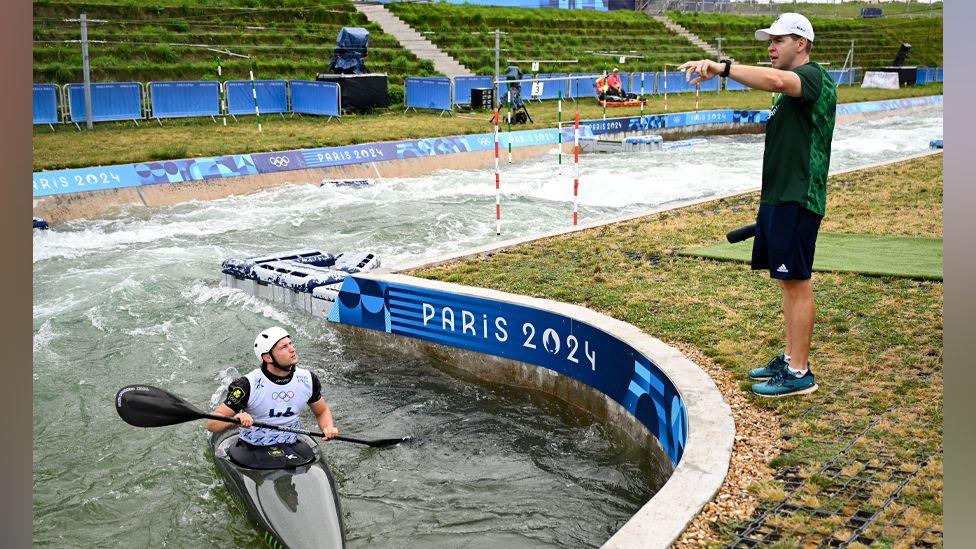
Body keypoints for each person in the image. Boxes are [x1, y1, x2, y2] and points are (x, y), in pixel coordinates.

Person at [678, 12, 836, 398]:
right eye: (770, 40)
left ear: (801, 44)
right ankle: (789, 357)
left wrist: (724, 68)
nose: (770, 46)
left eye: (778, 40)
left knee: (797, 282)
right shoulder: (787, 94)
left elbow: (779, 78)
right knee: (787, 280)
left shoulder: (813, 77)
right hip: (780, 199)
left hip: (798, 200)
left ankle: (799, 373)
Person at [206, 327, 339, 449]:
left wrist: (328, 428)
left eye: (291, 344)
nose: (292, 349)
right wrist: (236, 420)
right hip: (251, 447)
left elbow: (322, 411)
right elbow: (212, 424)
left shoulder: (308, 379)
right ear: (267, 357)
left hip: (292, 445)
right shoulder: (247, 385)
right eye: (284, 347)